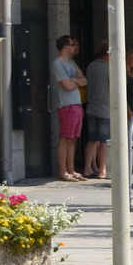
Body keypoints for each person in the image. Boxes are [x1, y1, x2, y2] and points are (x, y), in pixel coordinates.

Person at [52, 35, 85, 182]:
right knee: (65, 138)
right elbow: (67, 85)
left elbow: (84, 81)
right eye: (72, 45)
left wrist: (74, 80)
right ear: (66, 46)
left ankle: (71, 170)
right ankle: (63, 171)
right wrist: (75, 81)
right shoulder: (58, 63)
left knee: (73, 139)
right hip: (67, 105)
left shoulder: (72, 62)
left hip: (76, 103)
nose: (75, 47)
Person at [83, 44, 112, 180]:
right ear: (107, 54)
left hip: (91, 108)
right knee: (103, 141)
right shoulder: (108, 68)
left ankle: (87, 168)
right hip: (105, 108)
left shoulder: (91, 66)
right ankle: (102, 170)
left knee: (92, 139)